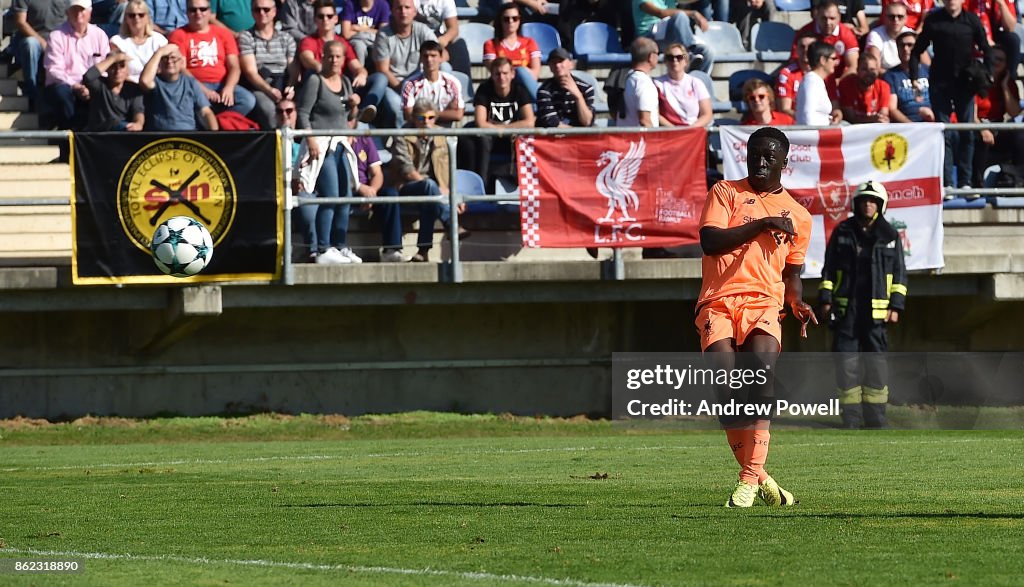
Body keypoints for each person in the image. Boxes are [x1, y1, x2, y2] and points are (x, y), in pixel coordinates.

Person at [697, 126, 816, 508]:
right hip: (718, 301)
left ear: (785, 161)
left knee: (761, 378)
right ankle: (763, 478)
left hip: (765, 302)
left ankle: (748, 480)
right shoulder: (725, 192)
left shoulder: (798, 215)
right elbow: (711, 241)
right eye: (754, 155)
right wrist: (762, 224)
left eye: (768, 156)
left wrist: (797, 302)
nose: (760, 162)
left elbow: (792, 273)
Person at [819, 180, 906, 429]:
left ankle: (876, 419)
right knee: (846, 364)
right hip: (847, 311)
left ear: (880, 205)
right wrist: (825, 300)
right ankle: (851, 419)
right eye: (863, 200)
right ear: (856, 204)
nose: (868, 205)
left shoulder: (890, 235)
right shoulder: (843, 232)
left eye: (872, 201)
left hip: (876, 314)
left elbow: (900, 273)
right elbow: (829, 268)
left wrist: (896, 306)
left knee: (876, 366)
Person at [910, 0, 991, 192]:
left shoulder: (972, 20)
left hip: (965, 84)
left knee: (967, 133)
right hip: (940, 84)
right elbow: (916, 51)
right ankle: (947, 183)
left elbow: (986, 49)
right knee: (943, 132)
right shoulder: (934, 20)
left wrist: (987, 75)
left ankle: (966, 182)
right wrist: (914, 77)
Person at [296, 40, 363, 264]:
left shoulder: (345, 82)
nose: (334, 60)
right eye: (330, 56)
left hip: (341, 145)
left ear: (344, 60)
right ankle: (324, 248)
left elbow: (350, 119)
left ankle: (340, 245)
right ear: (322, 57)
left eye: (338, 57)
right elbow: (303, 113)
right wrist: (311, 138)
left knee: (346, 196)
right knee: (331, 196)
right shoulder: (315, 81)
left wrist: (355, 105)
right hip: (322, 147)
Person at [390, 98, 462, 263]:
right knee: (429, 188)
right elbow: (406, 170)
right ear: (414, 118)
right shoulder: (402, 135)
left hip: (433, 190)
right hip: (407, 186)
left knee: (430, 198)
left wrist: (453, 194)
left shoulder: (442, 135)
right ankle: (450, 223)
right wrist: (437, 190)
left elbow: (449, 169)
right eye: (422, 118)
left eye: (431, 118)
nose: (426, 122)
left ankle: (423, 251)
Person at [167, 0, 257, 116]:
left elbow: (234, 66)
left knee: (248, 100)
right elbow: (181, 69)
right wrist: (203, 90)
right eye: (193, 10)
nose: (198, 13)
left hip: (221, 83)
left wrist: (229, 87)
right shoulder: (178, 35)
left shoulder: (223, 33)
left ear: (209, 12)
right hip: (192, 85)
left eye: (203, 9)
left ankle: (220, 124)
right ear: (187, 12)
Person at [460, 57, 535, 186]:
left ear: (512, 74)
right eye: (497, 74)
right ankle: (480, 184)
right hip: (491, 137)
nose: (501, 77)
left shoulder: (520, 90)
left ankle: (528, 183)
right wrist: (501, 130)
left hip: (511, 138)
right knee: (479, 138)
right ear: (492, 75)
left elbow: (529, 121)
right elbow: (480, 122)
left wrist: (505, 129)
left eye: (505, 73)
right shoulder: (484, 89)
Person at [365, 0, 437, 128]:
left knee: (445, 68)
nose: (403, 12)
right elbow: (383, 70)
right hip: (393, 86)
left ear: (414, 12)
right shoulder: (383, 34)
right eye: (399, 8)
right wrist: (406, 90)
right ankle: (403, 145)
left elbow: (439, 53)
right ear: (392, 11)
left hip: (418, 84)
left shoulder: (422, 30)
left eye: (407, 7)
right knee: (399, 108)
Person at [43, 0, 110, 135]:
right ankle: (70, 134)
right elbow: (53, 69)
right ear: (68, 12)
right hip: (66, 85)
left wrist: (91, 86)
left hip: (93, 85)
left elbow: (105, 66)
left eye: (82, 10)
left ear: (90, 12)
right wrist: (75, 86)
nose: (79, 14)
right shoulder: (56, 36)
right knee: (62, 93)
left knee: (106, 92)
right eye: (74, 10)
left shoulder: (99, 35)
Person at [239, 0, 297, 129]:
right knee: (270, 111)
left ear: (274, 11)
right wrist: (269, 90)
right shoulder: (246, 37)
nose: (261, 13)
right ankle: (275, 146)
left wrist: (290, 87)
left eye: (266, 9)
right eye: (257, 10)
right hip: (260, 86)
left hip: (284, 83)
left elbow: (293, 69)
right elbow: (250, 72)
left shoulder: (286, 38)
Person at [139, 43, 220, 130]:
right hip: (160, 137)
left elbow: (205, 112)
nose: (169, 61)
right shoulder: (155, 81)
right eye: (165, 58)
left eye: (173, 58)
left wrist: (214, 136)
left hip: (188, 135)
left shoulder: (190, 82)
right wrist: (159, 52)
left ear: (181, 62)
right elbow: (145, 81)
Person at [973, 45, 1022, 187]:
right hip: (977, 125)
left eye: (1001, 59)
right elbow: (970, 112)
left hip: (997, 126)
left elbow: (1014, 112)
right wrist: (982, 129)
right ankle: (978, 184)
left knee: (1020, 135)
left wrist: (1005, 86)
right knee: (979, 140)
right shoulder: (976, 79)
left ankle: (1018, 177)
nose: (996, 62)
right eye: (993, 58)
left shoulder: (1009, 84)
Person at [10, 0, 71, 111]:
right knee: (30, 44)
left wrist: (57, 42)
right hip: (35, 39)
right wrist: (42, 41)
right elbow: (20, 21)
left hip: (60, 40)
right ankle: (31, 92)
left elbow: (72, 19)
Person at [633, 0, 713, 74]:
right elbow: (660, 13)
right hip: (650, 39)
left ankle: (695, 83)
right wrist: (694, 13)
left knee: (706, 51)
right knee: (680, 16)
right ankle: (689, 52)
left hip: (670, 35)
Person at [483, 2, 542, 99]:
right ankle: (542, 101)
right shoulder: (490, 44)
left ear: (519, 20)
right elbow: (495, 71)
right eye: (506, 19)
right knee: (521, 70)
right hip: (503, 86)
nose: (511, 22)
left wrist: (519, 71)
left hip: (525, 88)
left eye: (515, 18)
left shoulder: (530, 42)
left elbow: (535, 74)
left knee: (521, 72)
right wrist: (519, 70)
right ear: (500, 21)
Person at [400, 40, 464, 125]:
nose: (429, 59)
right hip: (416, 130)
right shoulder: (410, 84)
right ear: (421, 58)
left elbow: (458, 115)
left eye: (433, 56)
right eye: (425, 56)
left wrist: (422, 115)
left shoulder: (452, 83)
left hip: (443, 130)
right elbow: (408, 115)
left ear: (441, 58)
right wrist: (444, 113)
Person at [81, 51, 146, 130]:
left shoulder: (134, 89)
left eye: (122, 66)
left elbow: (138, 111)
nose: (117, 71)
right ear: (107, 69)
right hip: (98, 132)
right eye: (113, 66)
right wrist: (113, 59)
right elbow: (88, 77)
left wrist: (138, 124)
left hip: (122, 132)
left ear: (127, 70)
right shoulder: (100, 85)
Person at [794, 0, 859, 78]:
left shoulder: (846, 34)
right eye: (824, 18)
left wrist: (837, 84)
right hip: (810, 78)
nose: (828, 22)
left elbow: (853, 66)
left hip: (838, 80)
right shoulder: (804, 33)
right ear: (817, 16)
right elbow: (796, 61)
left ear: (839, 17)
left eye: (832, 18)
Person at [653, 43, 711, 128]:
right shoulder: (657, 84)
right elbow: (655, 114)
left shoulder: (696, 83)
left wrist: (691, 129)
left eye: (679, 57)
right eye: (670, 58)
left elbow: (707, 114)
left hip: (693, 131)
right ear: (665, 61)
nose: (675, 61)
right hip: (669, 132)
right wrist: (675, 130)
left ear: (686, 61)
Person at [535, 47, 595, 128]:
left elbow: (587, 121)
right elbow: (552, 123)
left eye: (561, 61)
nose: (557, 65)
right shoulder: (544, 90)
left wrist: (578, 97)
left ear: (571, 64)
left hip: (581, 136)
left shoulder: (586, 89)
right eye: (553, 62)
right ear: (549, 66)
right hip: (556, 136)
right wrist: (578, 132)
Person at [111, 0, 169, 84]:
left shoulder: (159, 40)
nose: (136, 18)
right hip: (130, 88)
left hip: (156, 87)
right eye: (132, 15)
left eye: (141, 15)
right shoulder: (117, 41)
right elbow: (119, 73)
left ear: (147, 18)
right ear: (126, 18)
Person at [882, 30, 934, 123]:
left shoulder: (930, 71)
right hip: (906, 126)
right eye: (902, 45)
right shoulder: (890, 75)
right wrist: (910, 125)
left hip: (932, 121)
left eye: (910, 45)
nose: (906, 49)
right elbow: (892, 109)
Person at [413, 0, 470, 76]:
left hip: (438, 38)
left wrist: (440, 44)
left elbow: (453, 29)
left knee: (459, 45)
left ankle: (462, 81)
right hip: (416, 36)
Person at [796, 40, 842, 126]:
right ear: (823, 60)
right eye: (833, 58)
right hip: (812, 137)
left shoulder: (816, 80)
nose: (835, 63)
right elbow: (806, 115)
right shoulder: (811, 81)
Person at [838, 52, 891, 124]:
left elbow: (883, 115)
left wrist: (877, 119)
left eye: (872, 70)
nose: (869, 73)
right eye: (864, 69)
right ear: (857, 70)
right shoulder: (847, 84)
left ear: (877, 71)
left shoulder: (883, 86)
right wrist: (871, 119)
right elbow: (850, 118)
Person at [776, 30, 816, 118]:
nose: (806, 50)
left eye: (810, 47)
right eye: (802, 47)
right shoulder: (786, 74)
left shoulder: (824, 72)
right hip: (796, 123)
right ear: (796, 49)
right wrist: (805, 118)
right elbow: (785, 109)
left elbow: (834, 105)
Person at [865, 1, 914, 71]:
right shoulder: (875, 35)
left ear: (906, 19)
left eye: (900, 16)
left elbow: (926, 65)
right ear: (885, 18)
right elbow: (875, 68)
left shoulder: (911, 35)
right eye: (891, 17)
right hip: (886, 78)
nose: (896, 20)